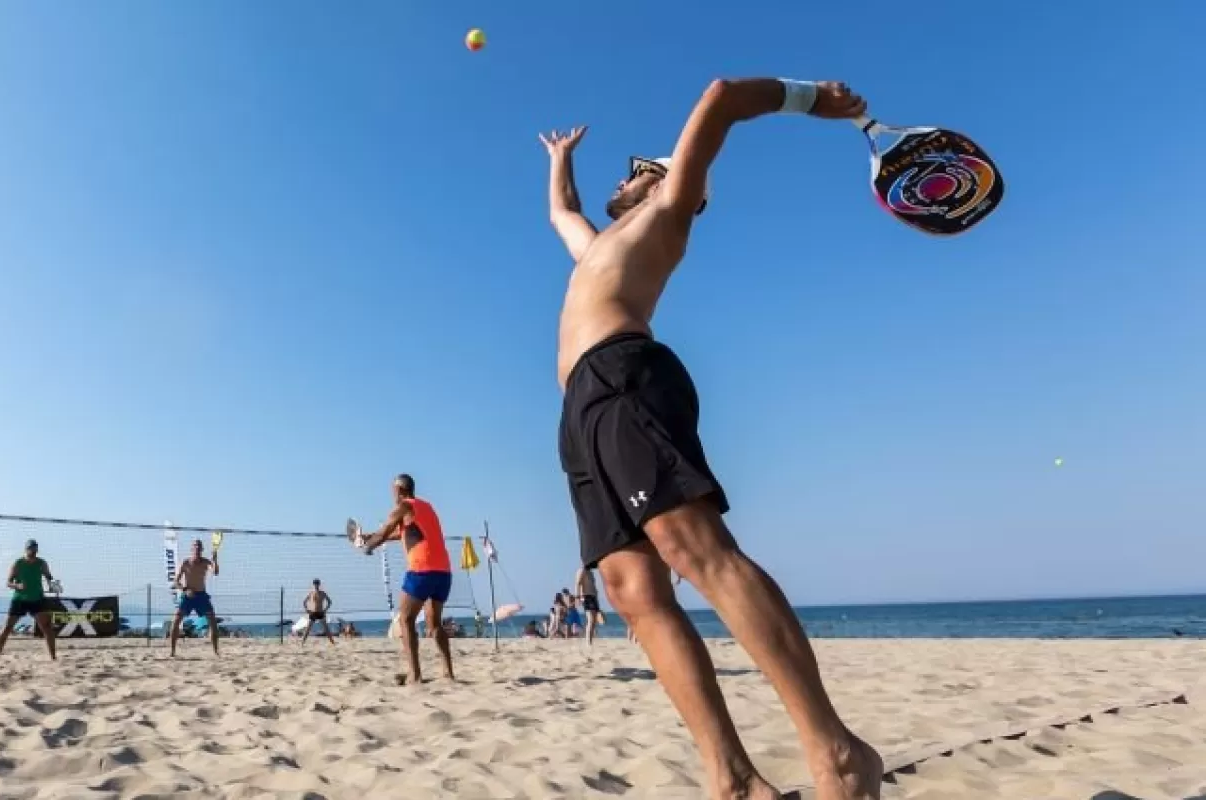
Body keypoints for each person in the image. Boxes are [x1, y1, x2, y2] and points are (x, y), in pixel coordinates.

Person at [540, 77, 883, 800]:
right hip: (581, 408)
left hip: (625, 378)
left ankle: (837, 750)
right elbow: (562, 212)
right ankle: (731, 778)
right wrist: (559, 156)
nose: (628, 171)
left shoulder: (668, 212)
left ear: (677, 185)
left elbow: (723, 97)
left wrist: (811, 100)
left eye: (641, 164)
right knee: (630, 589)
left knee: (695, 551)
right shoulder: (600, 247)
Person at [360, 473, 456, 685]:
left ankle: (415, 674)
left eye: (393, 490)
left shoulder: (403, 506)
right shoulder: (426, 507)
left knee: (405, 619)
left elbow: (386, 530)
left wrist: (368, 546)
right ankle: (448, 672)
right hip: (443, 572)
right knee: (434, 624)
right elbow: (404, 533)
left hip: (422, 570)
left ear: (400, 490)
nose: (391, 494)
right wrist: (370, 536)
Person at [0, 539, 57, 666]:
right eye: (30, 549)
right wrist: (18, 585)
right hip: (19, 599)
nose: (33, 551)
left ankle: (53, 658)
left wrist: (53, 585)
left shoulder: (42, 563)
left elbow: (49, 577)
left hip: (37, 598)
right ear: (26, 550)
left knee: (47, 627)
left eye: (35, 548)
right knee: (7, 628)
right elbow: (8, 582)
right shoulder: (18, 563)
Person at [170, 539, 221, 657]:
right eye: (195, 547)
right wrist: (185, 590)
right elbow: (176, 582)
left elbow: (215, 572)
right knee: (176, 621)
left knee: (213, 623)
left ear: (202, 550)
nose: (197, 549)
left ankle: (216, 652)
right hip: (187, 596)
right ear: (192, 549)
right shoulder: (185, 562)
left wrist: (215, 560)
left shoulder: (206, 562)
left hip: (201, 596)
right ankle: (172, 652)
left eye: (199, 547)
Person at [300, 578, 336, 645]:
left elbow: (329, 602)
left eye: (317, 583)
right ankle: (302, 643)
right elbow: (304, 602)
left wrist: (325, 610)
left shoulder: (323, 593)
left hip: (320, 612)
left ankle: (333, 643)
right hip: (313, 612)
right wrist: (307, 609)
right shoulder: (311, 593)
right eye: (315, 584)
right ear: (313, 584)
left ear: (319, 584)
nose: (316, 585)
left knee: (326, 629)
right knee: (308, 629)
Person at [575, 565, 605, 644]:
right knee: (591, 619)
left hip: (593, 597)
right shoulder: (582, 570)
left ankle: (590, 641)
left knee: (594, 621)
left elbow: (593, 587)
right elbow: (578, 583)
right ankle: (588, 642)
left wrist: (597, 601)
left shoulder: (591, 573)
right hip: (586, 596)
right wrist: (577, 597)